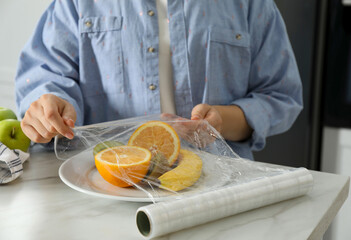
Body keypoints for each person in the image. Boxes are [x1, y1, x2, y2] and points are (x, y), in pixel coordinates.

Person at [15, 0, 302, 160]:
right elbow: (45, 74)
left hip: (219, 188)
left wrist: (220, 122)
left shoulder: (252, 4)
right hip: (103, 182)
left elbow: (280, 95)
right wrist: (51, 104)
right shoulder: (77, 3)